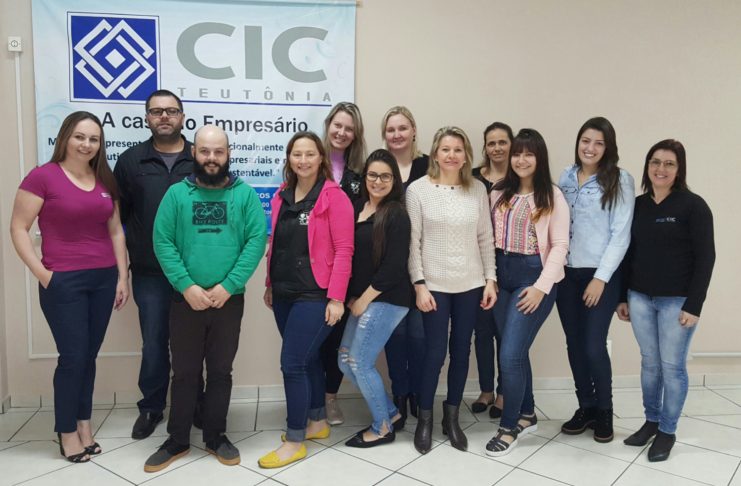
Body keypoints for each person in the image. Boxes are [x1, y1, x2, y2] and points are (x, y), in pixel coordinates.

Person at [144, 125, 266, 472]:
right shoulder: (176, 195)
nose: (212, 158)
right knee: (184, 373)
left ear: (228, 155)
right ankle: (177, 439)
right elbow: (162, 242)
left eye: (218, 152)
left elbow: (256, 241)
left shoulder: (245, 196)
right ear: (194, 153)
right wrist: (186, 286)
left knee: (221, 372)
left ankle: (215, 436)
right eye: (205, 151)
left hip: (229, 300)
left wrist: (229, 285)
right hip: (186, 300)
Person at [10, 111, 129, 463]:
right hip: (63, 281)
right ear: (65, 137)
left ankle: (83, 424)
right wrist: (43, 274)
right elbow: (18, 228)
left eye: (94, 139)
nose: (86, 144)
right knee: (73, 357)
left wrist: (122, 277)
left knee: (88, 357)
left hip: (103, 278)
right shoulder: (43, 177)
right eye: (80, 136)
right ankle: (65, 431)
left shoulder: (104, 179)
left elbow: (115, 231)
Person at [259, 131, 354, 468]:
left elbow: (344, 250)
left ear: (321, 158)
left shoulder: (334, 197)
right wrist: (270, 284)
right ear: (289, 158)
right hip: (284, 292)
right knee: (308, 359)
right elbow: (277, 244)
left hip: (316, 294)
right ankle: (317, 422)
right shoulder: (281, 195)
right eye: (296, 154)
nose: (303, 160)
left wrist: (337, 298)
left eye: (309, 154)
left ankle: (295, 440)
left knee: (293, 364)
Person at [617, 139, 714, 462]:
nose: (661, 169)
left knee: (672, 368)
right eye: (655, 162)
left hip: (677, 302)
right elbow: (627, 253)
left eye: (669, 163)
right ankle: (651, 421)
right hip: (639, 298)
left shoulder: (693, 206)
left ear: (679, 169)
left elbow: (706, 258)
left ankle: (667, 431)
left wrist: (694, 305)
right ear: (648, 166)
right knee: (650, 364)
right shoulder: (638, 205)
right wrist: (622, 296)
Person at [114, 89, 198, 440]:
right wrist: (123, 272)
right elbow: (118, 220)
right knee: (153, 342)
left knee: (195, 342)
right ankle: (151, 407)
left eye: (171, 111)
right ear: (147, 117)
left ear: (182, 117)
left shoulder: (200, 157)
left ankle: (195, 404)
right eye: (157, 111)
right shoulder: (131, 161)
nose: (164, 116)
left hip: (196, 271)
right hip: (150, 272)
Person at [407, 126, 497, 454]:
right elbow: (413, 242)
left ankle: (452, 417)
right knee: (434, 353)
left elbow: (485, 237)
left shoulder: (478, 189)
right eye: (445, 149)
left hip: (470, 284)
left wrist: (490, 279)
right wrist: (419, 284)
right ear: (435, 153)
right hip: (434, 285)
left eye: (458, 149)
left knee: (461, 351)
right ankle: (425, 419)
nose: (451, 155)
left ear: (466, 155)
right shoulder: (418, 190)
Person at [485, 128, 569, 457]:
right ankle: (528, 413)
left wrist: (539, 288)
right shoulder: (498, 192)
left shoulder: (552, 195)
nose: (521, 160)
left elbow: (560, 246)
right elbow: (487, 238)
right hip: (501, 274)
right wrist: (490, 278)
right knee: (514, 351)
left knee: (509, 355)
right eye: (517, 153)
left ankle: (508, 428)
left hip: (533, 277)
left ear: (539, 158)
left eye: (528, 154)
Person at [556, 117, 635, 442]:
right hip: (566, 274)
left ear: (608, 147)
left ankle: (604, 410)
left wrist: (601, 278)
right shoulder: (566, 176)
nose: (590, 148)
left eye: (598, 143)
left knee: (593, 345)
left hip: (601, 275)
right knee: (574, 344)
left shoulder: (620, 179)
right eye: (585, 141)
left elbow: (621, 235)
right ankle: (585, 406)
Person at [338, 149, 412, 448]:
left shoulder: (396, 214)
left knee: (360, 361)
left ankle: (382, 428)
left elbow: (394, 267)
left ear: (394, 180)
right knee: (345, 361)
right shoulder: (357, 207)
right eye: (372, 175)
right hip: (362, 298)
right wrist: (351, 296)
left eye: (385, 176)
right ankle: (391, 413)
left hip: (387, 298)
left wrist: (363, 299)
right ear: (365, 176)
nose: (378, 181)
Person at [319, 101, 367, 425]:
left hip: (345, 269)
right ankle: (310, 401)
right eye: (338, 125)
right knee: (312, 338)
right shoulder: (310, 162)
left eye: (349, 128)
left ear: (356, 135)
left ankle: (330, 398)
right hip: (311, 269)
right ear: (328, 125)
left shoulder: (359, 176)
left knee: (336, 339)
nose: (342, 132)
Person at [380, 106, 428, 421]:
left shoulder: (429, 166)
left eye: (402, 128)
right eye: (391, 129)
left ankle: (420, 395)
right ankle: (399, 391)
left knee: (420, 335)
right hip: (390, 264)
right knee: (395, 335)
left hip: (425, 263)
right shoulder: (379, 166)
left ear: (413, 131)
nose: (397, 134)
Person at [471, 121, 514, 418]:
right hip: (475, 263)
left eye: (502, 142)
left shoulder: (519, 178)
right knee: (482, 331)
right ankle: (486, 390)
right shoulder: (473, 178)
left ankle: (503, 392)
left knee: (504, 332)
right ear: (485, 147)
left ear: (511, 145)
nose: (497, 148)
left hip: (507, 262)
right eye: (491, 143)